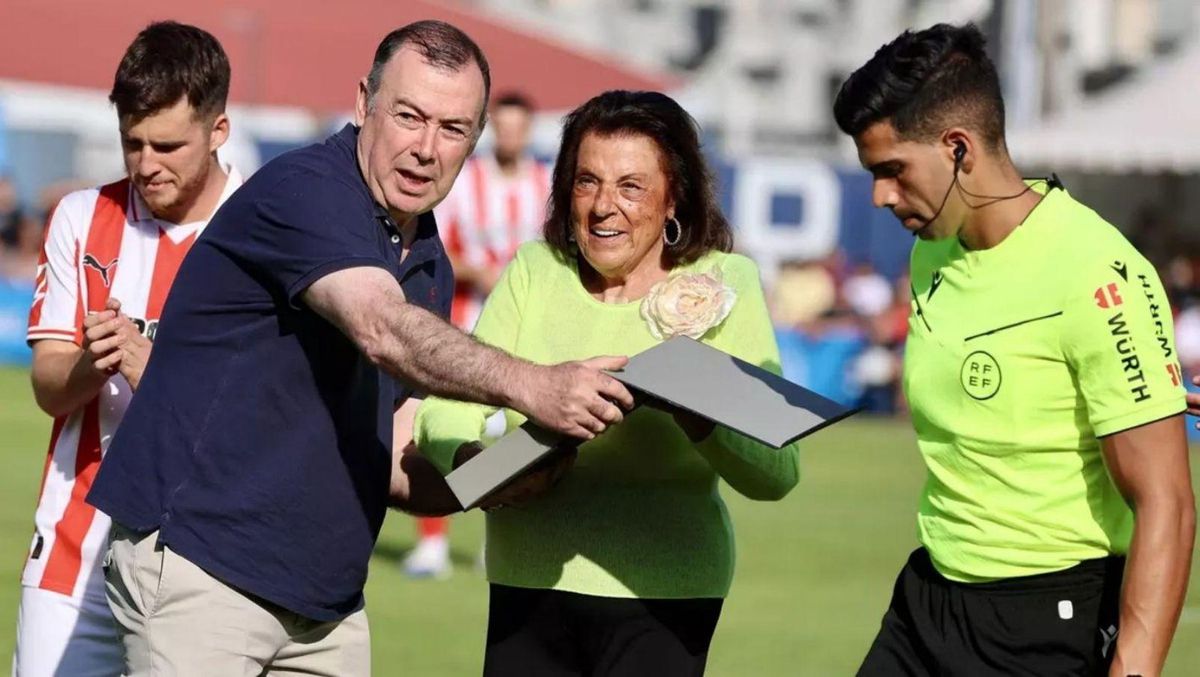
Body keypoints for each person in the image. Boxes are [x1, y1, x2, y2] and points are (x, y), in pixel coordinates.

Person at [85, 21, 633, 676]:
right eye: (409, 116)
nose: (426, 148)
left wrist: (495, 476)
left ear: (474, 142)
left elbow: (394, 453)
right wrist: (539, 386)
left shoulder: (428, 261)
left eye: (452, 129)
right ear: (362, 104)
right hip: (203, 573)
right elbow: (379, 325)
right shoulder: (308, 192)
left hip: (325, 608)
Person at [833, 24, 1194, 676]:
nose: (880, 195)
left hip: (1045, 621)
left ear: (958, 148)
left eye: (891, 170)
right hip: (927, 600)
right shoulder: (929, 252)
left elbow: (1166, 499)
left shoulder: (1097, 271)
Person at [414, 89, 800, 676]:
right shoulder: (534, 271)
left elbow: (777, 474)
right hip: (527, 580)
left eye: (631, 186)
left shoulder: (727, 280)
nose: (602, 206)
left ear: (675, 198)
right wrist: (480, 469)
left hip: (671, 594)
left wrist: (702, 418)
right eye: (587, 181)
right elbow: (443, 411)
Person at [16, 22, 241, 677]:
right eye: (132, 143)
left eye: (167, 145)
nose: (146, 164)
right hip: (71, 553)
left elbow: (271, 410)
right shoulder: (81, 217)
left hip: (203, 567)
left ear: (218, 130)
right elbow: (49, 386)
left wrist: (154, 365)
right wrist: (95, 360)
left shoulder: (262, 228)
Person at [404, 91, 552, 579]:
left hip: (525, 329)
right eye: (502, 126)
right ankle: (432, 542)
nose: (510, 135)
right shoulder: (466, 183)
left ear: (529, 131)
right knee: (441, 424)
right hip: (465, 319)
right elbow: (439, 244)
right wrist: (481, 274)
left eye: (518, 127)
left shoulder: (545, 184)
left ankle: (499, 534)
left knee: (518, 431)